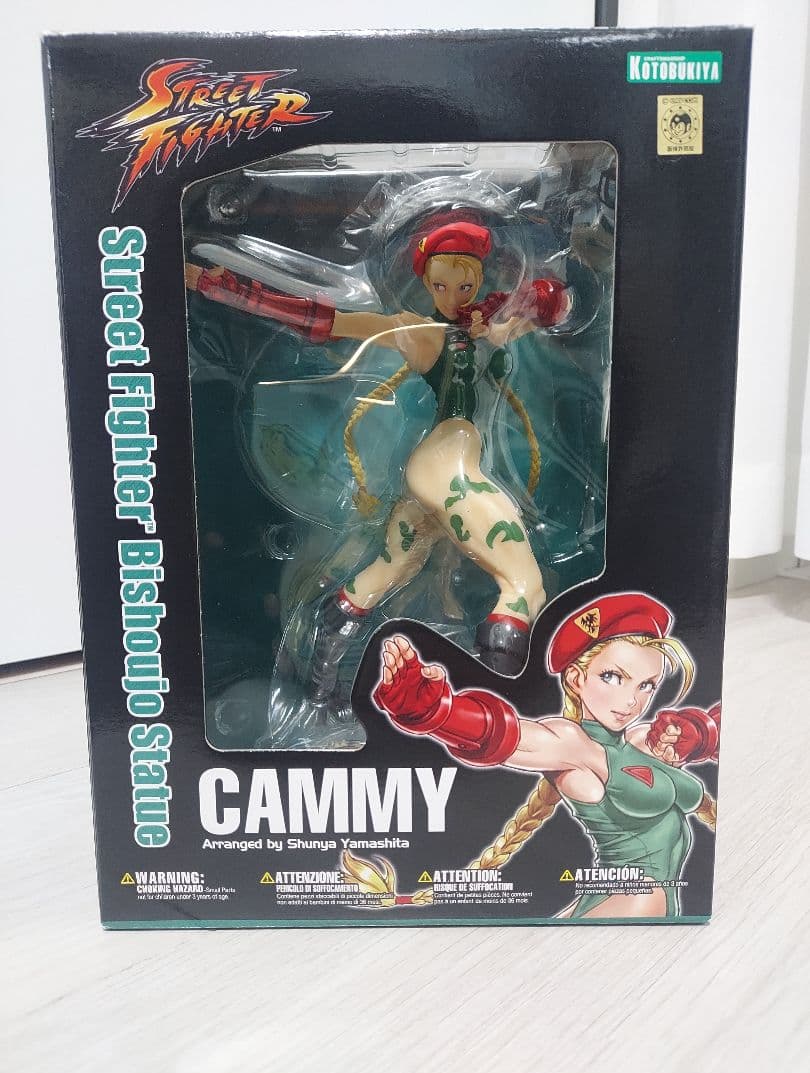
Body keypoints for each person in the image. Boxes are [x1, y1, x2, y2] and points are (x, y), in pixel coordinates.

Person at [185, 220, 571, 704]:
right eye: (441, 286)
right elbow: (331, 321)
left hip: (432, 483)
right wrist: (225, 288)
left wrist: (521, 303)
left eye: (465, 286)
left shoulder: (489, 331)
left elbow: (550, 304)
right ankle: (496, 705)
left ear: (479, 281)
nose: (453, 297)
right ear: (426, 284)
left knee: (386, 572)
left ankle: (319, 687)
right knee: (524, 586)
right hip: (449, 467)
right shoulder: (421, 333)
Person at [371, 592, 720, 918]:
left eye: (646, 685)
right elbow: (508, 736)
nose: (632, 701)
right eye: (613, 677)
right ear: (576, 678)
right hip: (632, 900)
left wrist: (700, 733)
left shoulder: (638, 739)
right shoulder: (573, 744)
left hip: (641, 901)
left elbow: (703, 735)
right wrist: (435, 710)